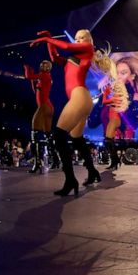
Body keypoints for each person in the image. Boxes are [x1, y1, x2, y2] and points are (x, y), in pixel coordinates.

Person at [29, 29, 114, 195]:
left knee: (59, 135)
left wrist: (48, 39)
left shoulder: (87, 49)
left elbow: (66, 45)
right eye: (76, 38)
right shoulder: (72, 59)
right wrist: (49, 40)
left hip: (79, 96)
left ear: (88, 40)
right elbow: (54, 58)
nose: (78, 40)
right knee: (77, 139)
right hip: (82, 98)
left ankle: (70, 180)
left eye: (81, 37)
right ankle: (93, 171)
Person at [23, 60, 55, 174]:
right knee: (48, 135)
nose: (43, 66)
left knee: (34, 134)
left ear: (49, 67)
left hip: (44, 106)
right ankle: (55, 159)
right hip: (48, 106)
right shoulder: (46, 76)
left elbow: (28, 76)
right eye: (42, 64)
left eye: (46, 65)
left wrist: (26, 66)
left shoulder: (43, 75)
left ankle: (37, 164)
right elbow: (33, 84)